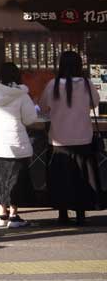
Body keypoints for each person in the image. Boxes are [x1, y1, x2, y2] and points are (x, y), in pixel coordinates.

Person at [39, 51, 102, 226]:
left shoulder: (52, 84)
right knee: (82, 178)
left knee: (61, 179)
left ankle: (63, 214)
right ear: (79, 66)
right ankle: (81, 214)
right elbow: (95, 103)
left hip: (59, 141)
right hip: (83, 139)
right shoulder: (87, 84)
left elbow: (43, 108)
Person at [0, 62, 38, 228]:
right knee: (15, 180)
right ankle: (13, 216)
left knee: (0, 177)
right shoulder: (21, 94)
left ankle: (1, 214)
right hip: (16, 143)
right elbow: (30, 118)